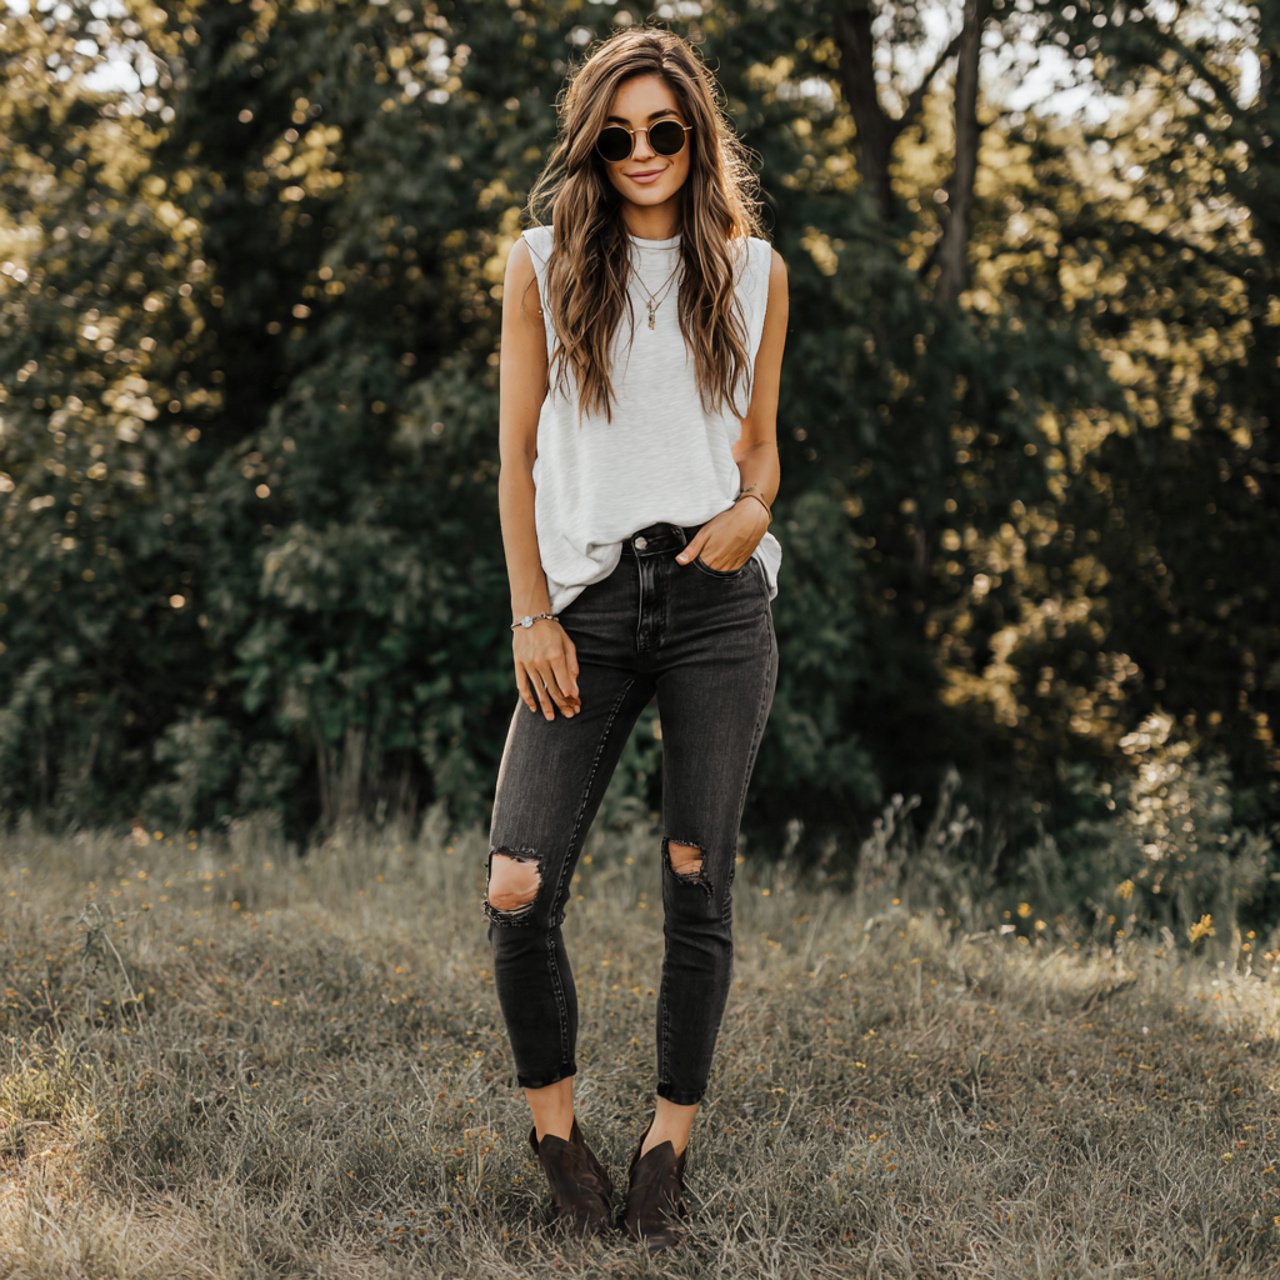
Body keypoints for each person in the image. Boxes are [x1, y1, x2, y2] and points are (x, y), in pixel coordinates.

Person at [487, 24, 788, 1251]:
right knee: (517, 888)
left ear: (696, 136)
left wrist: (753, 509)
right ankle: (559, 1140)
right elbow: (512, 455)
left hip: (719, 602)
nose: (642, 152)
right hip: (590, 605)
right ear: (590, 145)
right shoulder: (543, 262)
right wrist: (531, 614)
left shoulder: (754, 267)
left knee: (693, 880)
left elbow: (760, 442)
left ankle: (667, 1146)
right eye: (617, 135)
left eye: (665, 130)